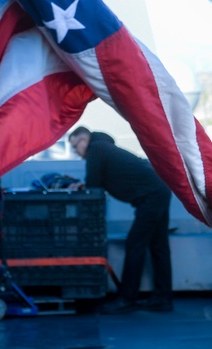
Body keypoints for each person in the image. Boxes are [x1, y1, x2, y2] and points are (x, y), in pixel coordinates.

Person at [69, 127, 174, 314]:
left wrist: (84, 186)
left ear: (84, 139)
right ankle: (163, 298)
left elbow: (93, 186)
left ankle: (127, 298)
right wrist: (86, 184)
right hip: (159, 189)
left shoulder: (96, 148)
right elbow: (97, 182)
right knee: (158, 246)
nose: (76, 152)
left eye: (75, 146)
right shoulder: (105, 148)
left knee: (135, 244)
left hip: (151, 196)